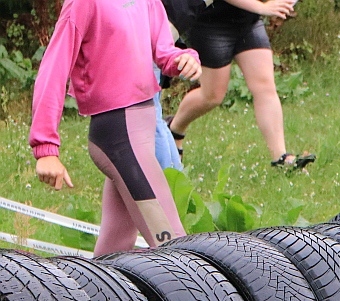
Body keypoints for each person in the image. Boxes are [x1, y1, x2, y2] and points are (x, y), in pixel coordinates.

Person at [30, 0, 202, 255]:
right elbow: (53, 68)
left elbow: (164, 52)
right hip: (118, 138)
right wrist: (46, 149)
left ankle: (91, 294)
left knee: (115, 247)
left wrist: (185, 58)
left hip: (141, 135)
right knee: (174, 248)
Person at [166, 0, 315, 169]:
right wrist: (263, 7)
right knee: (212, 96)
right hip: (212, 24)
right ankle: (175, 128)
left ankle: (280, 158)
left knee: (265, 86)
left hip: (248, 21)